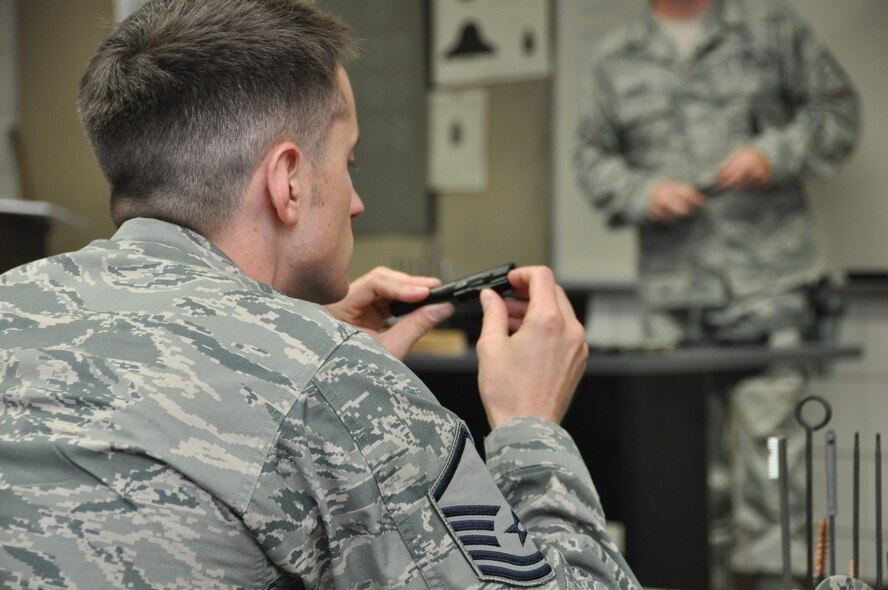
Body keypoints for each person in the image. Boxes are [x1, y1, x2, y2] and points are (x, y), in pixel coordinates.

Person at [0, 1, 639, 588]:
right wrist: (531, 425)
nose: (357, 203)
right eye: (348, 162)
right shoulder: (337, 384)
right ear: (289, 182)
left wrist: (314, 361)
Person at [574, 0, 859, 588]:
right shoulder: (614, 58)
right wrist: (641, 192)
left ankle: (778, 579)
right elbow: (591, 157)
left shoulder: (772, 29)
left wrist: (772, 154)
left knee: (775, 460)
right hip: (674, 300)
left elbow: (838, 112)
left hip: (771, 290)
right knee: (681, 468)